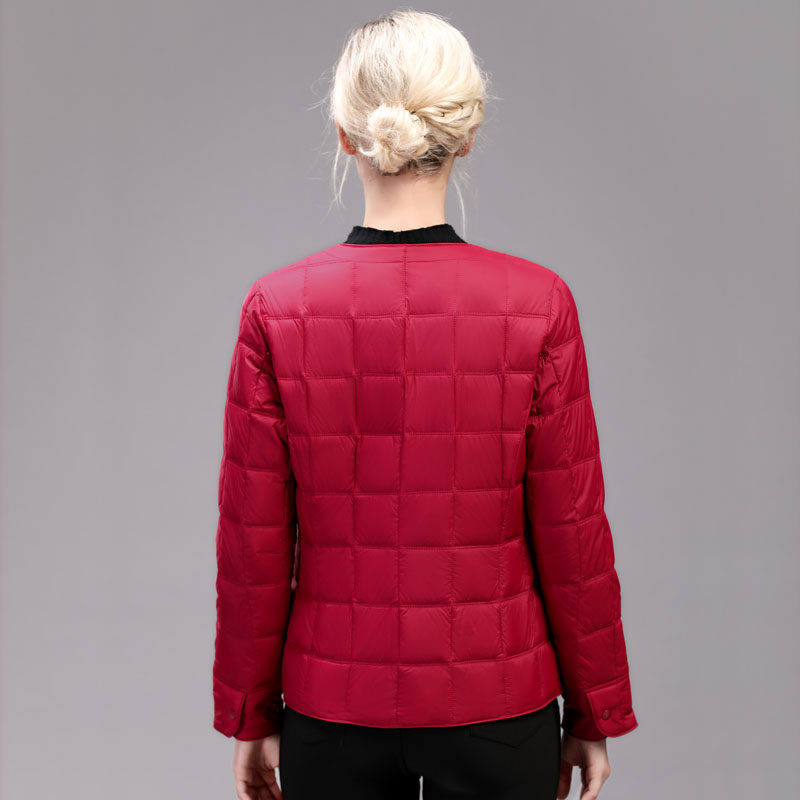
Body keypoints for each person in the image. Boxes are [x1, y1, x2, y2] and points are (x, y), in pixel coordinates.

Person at [211, 9, 638, 800]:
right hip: (498, 710)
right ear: (467, 135)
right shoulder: (537, 303)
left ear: (346, 135)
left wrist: (249, 712)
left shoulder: (276, 308)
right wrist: (593, 711)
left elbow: (253, 543)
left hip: (330, 711)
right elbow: (573, 531)